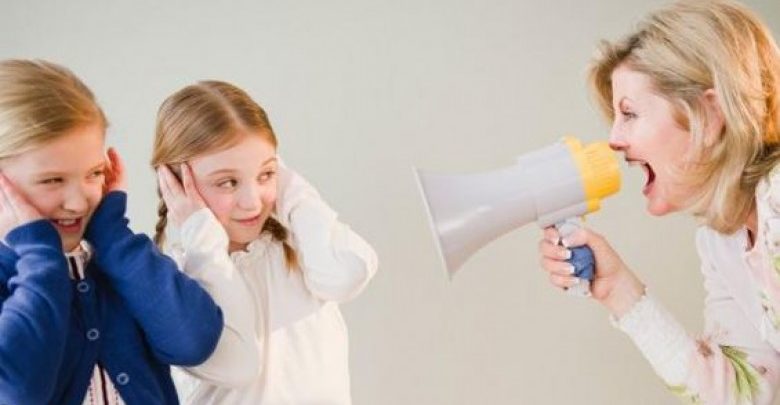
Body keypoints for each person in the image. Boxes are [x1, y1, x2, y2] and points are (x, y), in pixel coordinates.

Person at [538, 1, 780, 403]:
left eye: (629, 113)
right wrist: (618, 289)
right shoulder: (722, 244)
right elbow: (744, 394)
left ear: (709, 114)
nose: (613, 140)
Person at [0, 59, 224, 405]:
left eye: (94, 174)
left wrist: (113, 235)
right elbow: (18, 391)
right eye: (52, 180)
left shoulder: (118, 259)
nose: (78, 203)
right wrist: (40, 258)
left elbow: (193, 342)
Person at [150, 80, 378, 404]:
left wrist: (291, 191)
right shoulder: (174, 282)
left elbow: (348, 273)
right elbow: (236, 365)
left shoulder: (300, 249)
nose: (253, 202)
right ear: (173, 182)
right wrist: (201, 233)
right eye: (228, 182)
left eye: (266, 175)